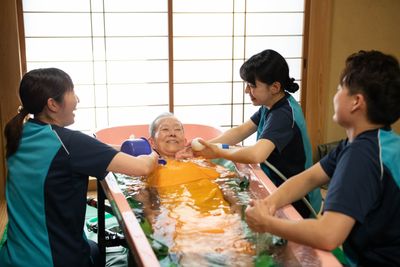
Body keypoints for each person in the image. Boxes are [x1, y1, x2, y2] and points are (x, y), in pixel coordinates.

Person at [245, 50, 400, 266]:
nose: (335, 96)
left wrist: (267, 223)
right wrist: (268, 203)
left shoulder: (363, 156)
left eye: (339, 89)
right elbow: (308, 178)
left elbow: (328, 235)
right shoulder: (373, 142)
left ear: (356, 102)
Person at [0, 68, 159, 267]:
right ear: (52, 104)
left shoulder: (20, 134)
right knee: (95, 252)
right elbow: (143, 167)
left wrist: (128, 147)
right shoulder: (70, 143)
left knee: (93, 248)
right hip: (52, 260)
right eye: (72, 92)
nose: (77, 99)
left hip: (13, 257)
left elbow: (96, 150)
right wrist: (156, 150)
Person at [192, 49, 321, 218]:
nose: (247, 91)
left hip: (300, 202)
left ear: (275, 87)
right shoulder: (271, 105)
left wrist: (217, 151)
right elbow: (241, 131)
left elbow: (256, 155)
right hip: (281, 187)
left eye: (252, 86)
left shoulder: (284, 114)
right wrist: (203, 146)